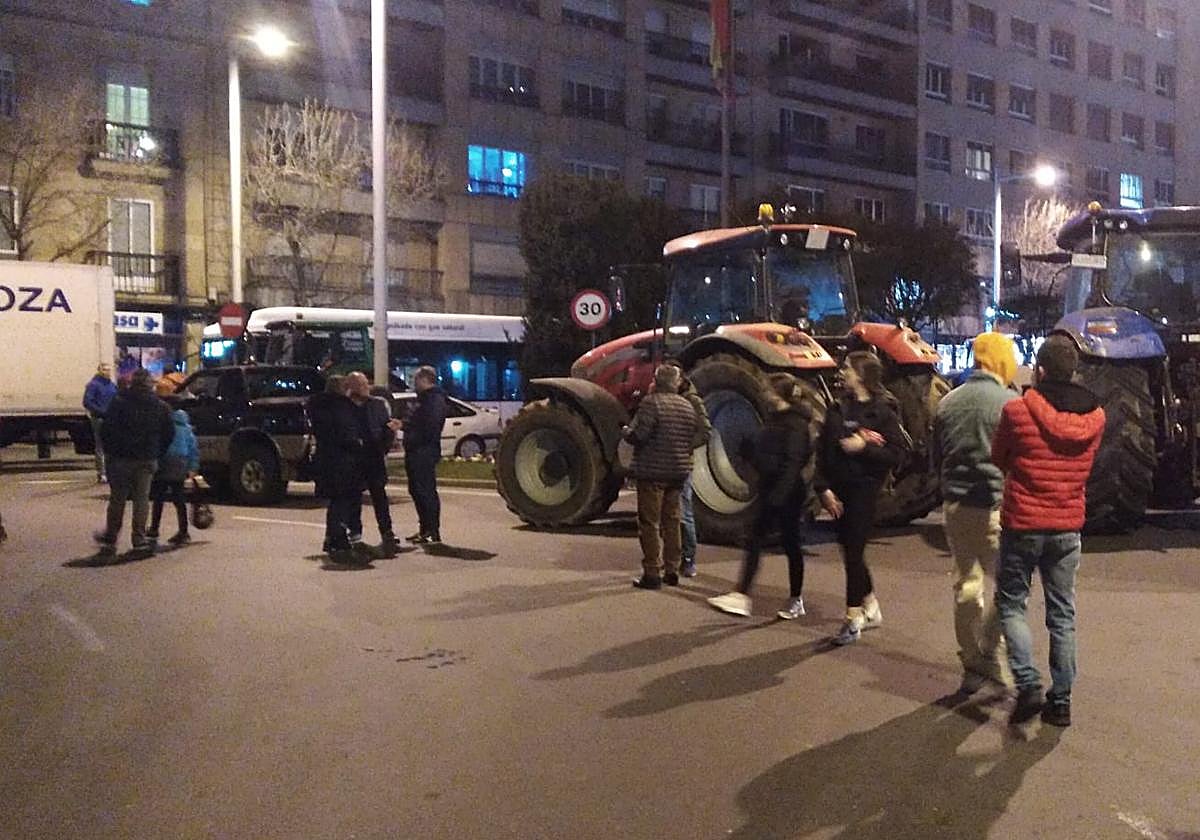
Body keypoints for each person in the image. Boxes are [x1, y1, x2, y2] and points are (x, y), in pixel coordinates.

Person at [992, 335, 1104, 728]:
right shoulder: (1096, 417)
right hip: (1067, 526)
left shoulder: (1017, 411)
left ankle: (1027, 682)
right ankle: (1061, 701)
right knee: (1062, 615)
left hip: (1022, 522)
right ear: (1073, 371)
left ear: (1039, 370)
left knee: (1011, 604)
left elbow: (999, 457)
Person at [932, 332, 1020, 695]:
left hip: (955, 508)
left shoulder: (948, 402)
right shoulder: (1011, 403)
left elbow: (936, 458)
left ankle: (970, 660)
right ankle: (990, 649)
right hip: (995, 507)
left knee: (966, 585)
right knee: (1010, 588)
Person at [816, 351, 906, 645]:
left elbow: (895, 454)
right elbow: (824, 452)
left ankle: (852, 617)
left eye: (847, 368)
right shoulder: (837, 409)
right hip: (839, 490)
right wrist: (823, 489)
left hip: (865, 491)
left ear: (862, 375)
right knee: (848, 549)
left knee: (853, 550)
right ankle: (870, 604)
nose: (842, 372)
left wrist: (863, 448)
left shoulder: (883, 413)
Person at [708, 373, 813, 619]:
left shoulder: (796, 425)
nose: (764, 394)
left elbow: (793, 462)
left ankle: (793, 598)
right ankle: (742, 595)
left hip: (785, 492)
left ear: (779, 395)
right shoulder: (775, 420)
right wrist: (750, 454)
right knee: (757, 540)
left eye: (768, 390)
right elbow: (770, 456)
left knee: (790, 545)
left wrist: (779, 495)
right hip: (771, 488)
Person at [623, 364, 699, 590]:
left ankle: (652, 572)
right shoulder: (687, 406)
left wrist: (626, 432)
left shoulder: (651, 403)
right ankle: (672, 569)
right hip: (678, 472)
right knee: (672, 521)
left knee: (649, 523)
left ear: (656, 381)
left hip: (652, 472)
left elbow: (640, 435)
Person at [93, 368, 175, 560]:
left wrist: (111, 453)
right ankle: (138, 539)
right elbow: (169, 433)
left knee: (117, 499)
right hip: (146, 458)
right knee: (141, 499)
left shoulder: (119, 402)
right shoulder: (160, 406)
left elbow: (106, 431)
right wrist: (157, 452)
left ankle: (111, 538)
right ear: (150, 385)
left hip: (121, 458)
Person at [307, 375, 367, 563]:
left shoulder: (317, 407)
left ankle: (331, 538)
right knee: (343, 502)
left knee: (335, 502)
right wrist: (359, 443)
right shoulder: (341, 407)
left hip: (326, 459)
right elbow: (347, 433)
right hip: (343, 462)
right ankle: (338, 541)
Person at [347, 372, 399, 553]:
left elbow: (387, 427)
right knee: (353, 498)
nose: (366, 388)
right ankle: (355, 535)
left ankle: (387, 533)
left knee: (379, 497)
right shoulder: (346, 407)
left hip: (374, 457)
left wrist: (385, 444)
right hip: (354, 459)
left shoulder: (377, 405)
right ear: (352, 387)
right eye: (361, 385)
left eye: (366, 384)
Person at [400, 366, 447, 545]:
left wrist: (413, 434)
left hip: (424, 451)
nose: (414, 384)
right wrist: (404, 425)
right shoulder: (425, 399)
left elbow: (430, 426)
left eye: (416, 380)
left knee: (425, 491)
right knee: (417, 490)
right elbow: (417, 421)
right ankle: (425, 529)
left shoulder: (434, 399)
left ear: (424, 379)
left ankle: (432, 531)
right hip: (416, 450)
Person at [148, 408, 201, 549]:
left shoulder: (166, 428)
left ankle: (154, 529)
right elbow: (194, 451)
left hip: (166, 463)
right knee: (179, 499)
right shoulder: (188, 431)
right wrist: (192, 469)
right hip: (181, 464)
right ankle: (183, 531)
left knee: (158, 498)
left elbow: (159, 445)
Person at [678, 372, 712, 578]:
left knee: (684, 512)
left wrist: (684, 447)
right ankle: (672, 558)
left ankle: (689, 558)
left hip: (681, 463)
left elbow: (705, 431)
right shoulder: (659, 396)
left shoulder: (692, 401)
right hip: (665, 464)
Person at [82, 363, 118, 484]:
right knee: (101, 446)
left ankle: (110, 471)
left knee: (111, 446)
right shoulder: (93, 385)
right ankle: (102, 473)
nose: (107, 372)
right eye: (104, 370)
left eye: (108, 370)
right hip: (99, 419)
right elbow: (87, 401)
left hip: (111, 419)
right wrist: (101, 411)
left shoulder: (112, 385)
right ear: (99, 371)